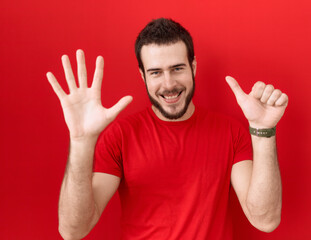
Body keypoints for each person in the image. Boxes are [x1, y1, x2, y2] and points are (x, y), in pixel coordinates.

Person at [47, 18, 288, 240]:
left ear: (193, 67)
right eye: (155, 72)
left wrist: (262, 130)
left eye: (177, 68)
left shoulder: (230, 132)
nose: (169, 83)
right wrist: (81, 142)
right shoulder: (120, 136)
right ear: (142, 76)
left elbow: (265, 220)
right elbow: (73, 230)